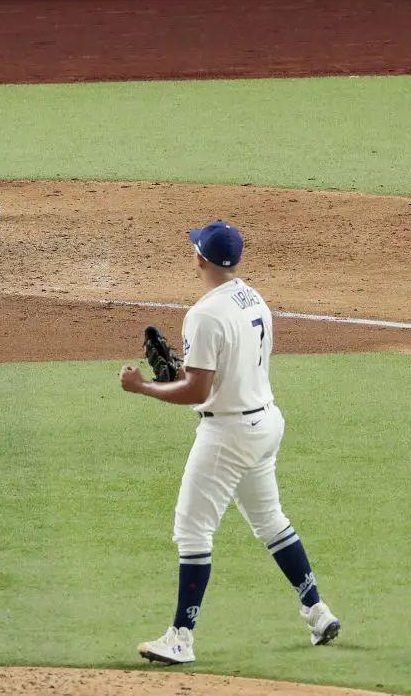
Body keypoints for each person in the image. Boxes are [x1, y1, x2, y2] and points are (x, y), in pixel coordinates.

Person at [119, 220, 341, 664]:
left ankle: (181, 637)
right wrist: (182, 372)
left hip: (228, 433)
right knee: (271, 522)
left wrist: (145, 387)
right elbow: (225, 369)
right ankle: (317, 610)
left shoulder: (203, 314)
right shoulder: (252, 297)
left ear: (201, 258)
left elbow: (198, 392)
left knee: (192, 530)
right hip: (265, 423)